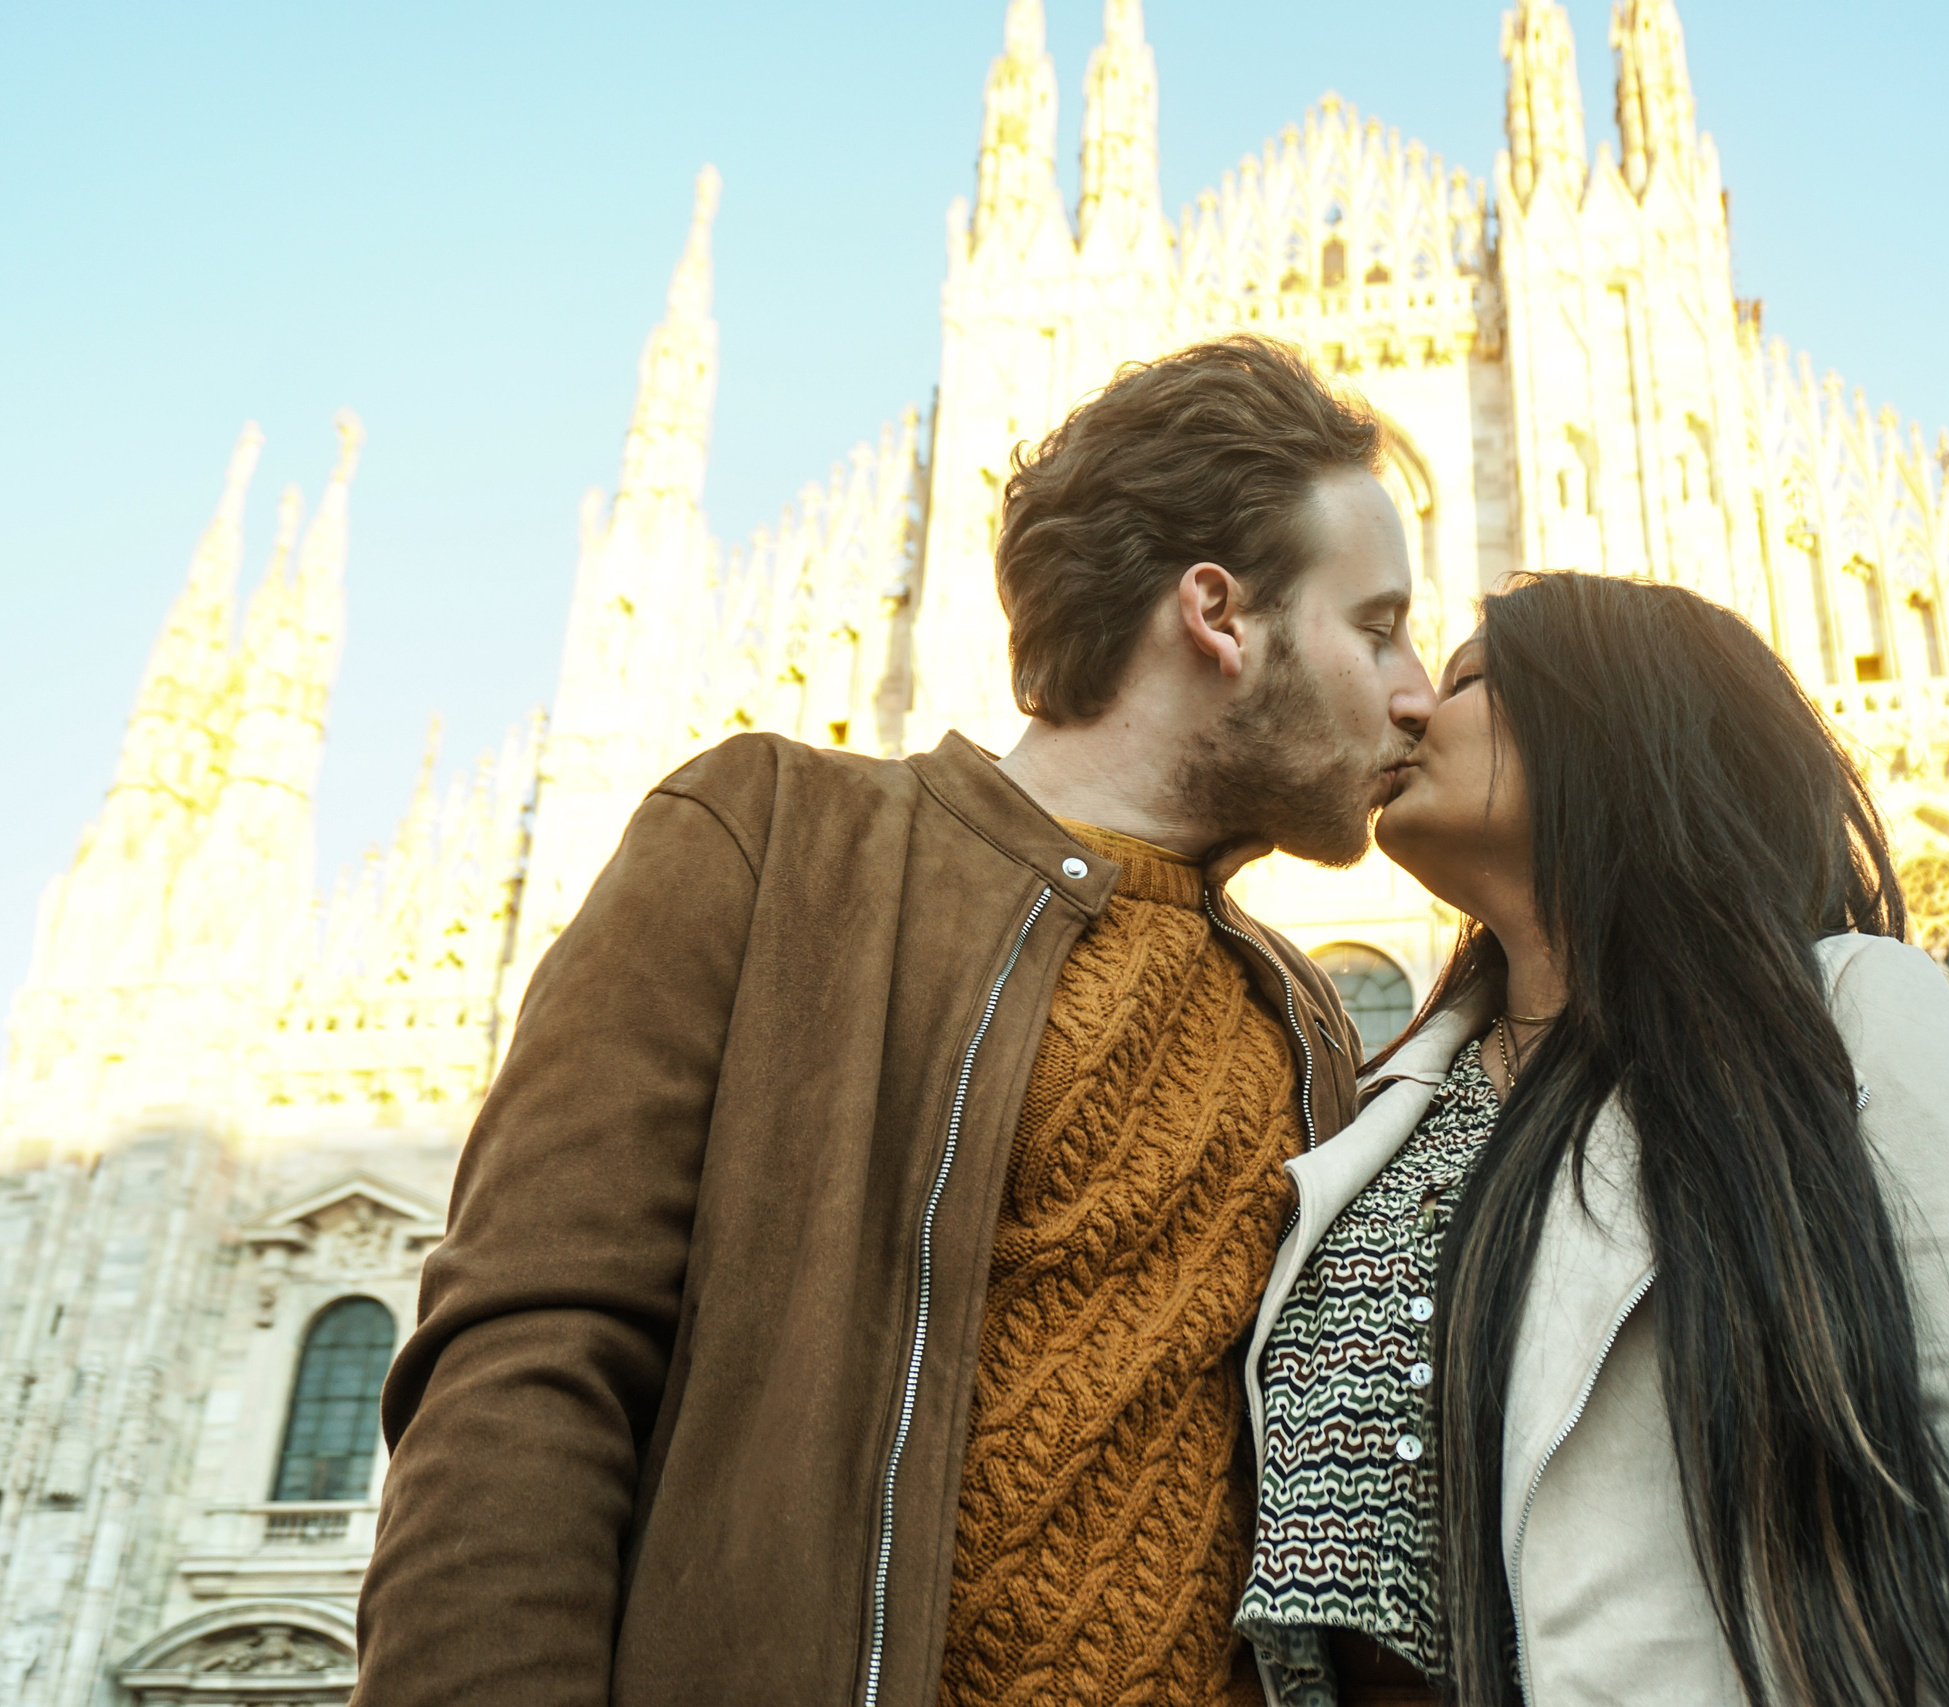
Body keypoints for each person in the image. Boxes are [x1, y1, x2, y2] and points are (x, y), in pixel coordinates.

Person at [352, 336, 1437, 1707]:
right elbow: (527, 1362)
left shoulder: (1302, 1019)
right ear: (1218, 614)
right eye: (1380, 624)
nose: (1416, 689)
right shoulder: (773, 843)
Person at [1236, 572, 1949, 1707]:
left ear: (1606, 721)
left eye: (1467, 679)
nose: (1408, 703)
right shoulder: (1380, 1105)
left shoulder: (1851, 1013)